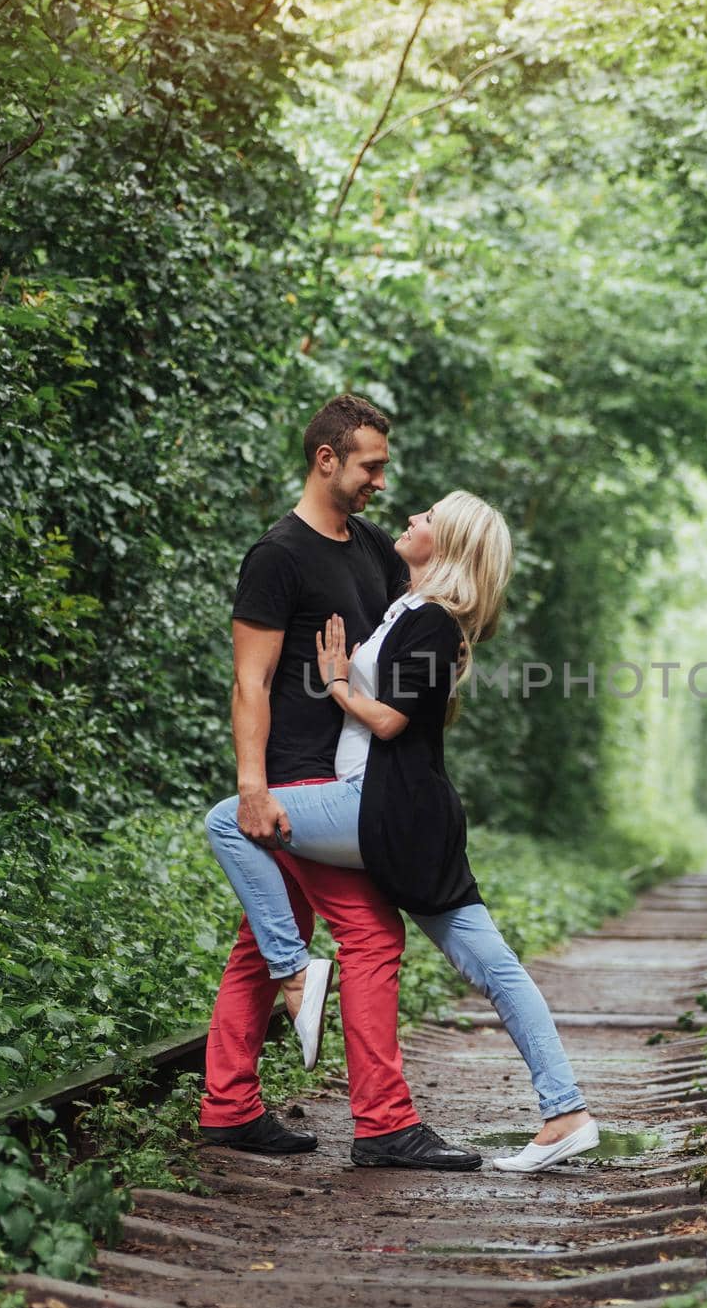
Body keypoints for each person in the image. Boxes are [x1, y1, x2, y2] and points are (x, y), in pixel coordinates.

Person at [205, 491, 600, 1173]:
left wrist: (335, 683)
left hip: (387, 809)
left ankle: (296, 975)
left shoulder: (438, 624)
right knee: (495, 968)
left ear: (445, 546)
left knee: (231, 819)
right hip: (393, 810)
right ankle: (565, 1111)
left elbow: (388, 722)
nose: (412, 518)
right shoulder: (407, 609)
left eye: (427, 518)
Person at [199, 394, 480, 1171]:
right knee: (370, 934)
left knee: (263, 939)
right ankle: (385, 1123)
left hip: (357, 772)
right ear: (327, 459)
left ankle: (227, 1104)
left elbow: (404, 648)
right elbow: (249, 683)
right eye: (370, 466)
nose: (379, 483)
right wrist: (253, 785)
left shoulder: (374, 552)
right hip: (299, 776)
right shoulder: (278, 556)